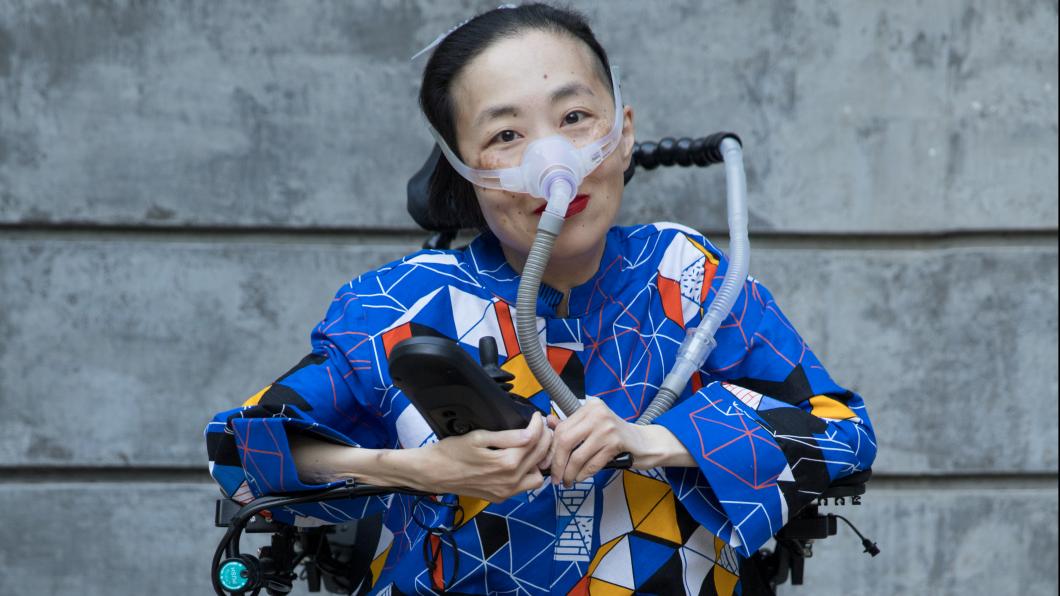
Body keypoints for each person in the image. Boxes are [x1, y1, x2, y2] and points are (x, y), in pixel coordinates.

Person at [204, 4, 876, 594]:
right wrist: (417, 469)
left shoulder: (686, 275)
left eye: (576, 117)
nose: (551, 158)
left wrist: (657, 439)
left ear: (624, 134)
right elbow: (238, 456)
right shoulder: (396, 305)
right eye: (505, 136)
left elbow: (843, 432)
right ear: (466, 173)